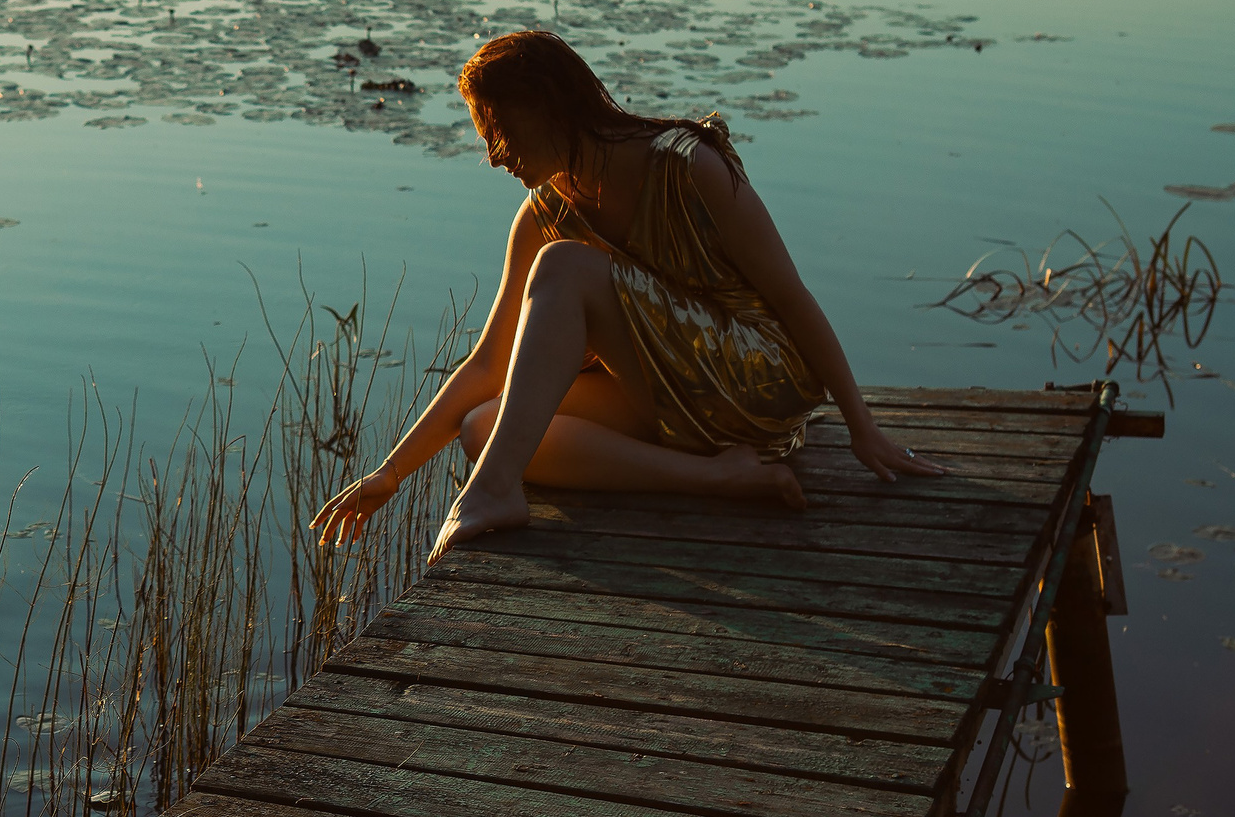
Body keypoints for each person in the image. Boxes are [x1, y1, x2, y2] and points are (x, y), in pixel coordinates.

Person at [311, 30, 946, 558]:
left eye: (499, 128)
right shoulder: (543, 215)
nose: (493, 154)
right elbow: (488, 365)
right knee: (486, 427)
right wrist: (390, 474)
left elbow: (793, 297)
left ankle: (494, 490)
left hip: (757, 384)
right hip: (670, 398)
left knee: (564, 269)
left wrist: (864, 429)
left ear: (551, 107)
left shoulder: (688, 165)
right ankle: (716, 477)